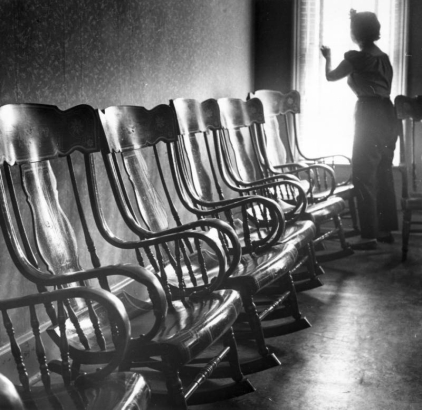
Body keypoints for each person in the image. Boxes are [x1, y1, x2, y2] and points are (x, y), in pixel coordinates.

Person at [320, 9, 398, 250]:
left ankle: (369, 236)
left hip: (369, 114)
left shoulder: (357, 57)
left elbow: (332, 77)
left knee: (364, 174)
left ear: (356, 33)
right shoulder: (383, 57)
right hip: (387, 113)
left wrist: (328, 57)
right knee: (383, 171)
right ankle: (384, 230)